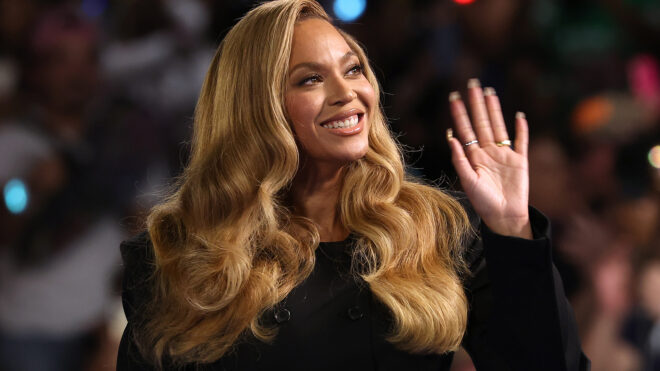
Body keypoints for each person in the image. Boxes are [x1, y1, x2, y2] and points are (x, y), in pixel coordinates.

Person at [117, 0, 590, 370]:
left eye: (353, 68)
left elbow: (548, 366)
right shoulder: (178, 253)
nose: (347, 94)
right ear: (255, 109)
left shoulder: (435, 229)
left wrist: (512, 229)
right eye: (309, 80)